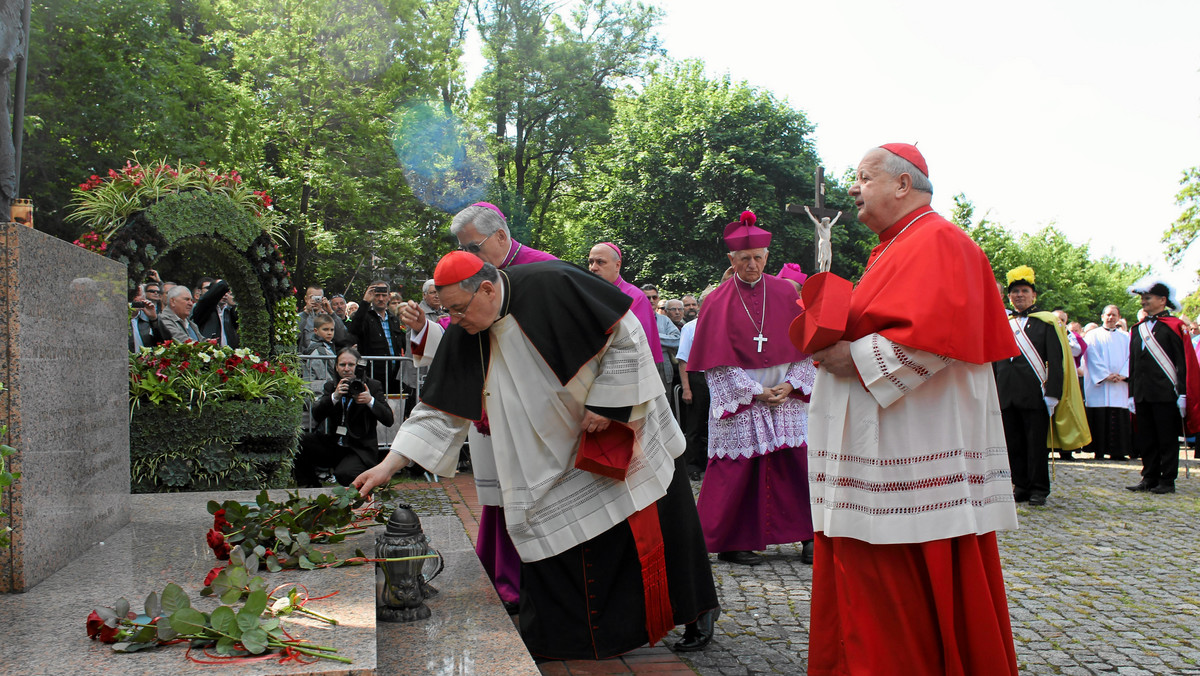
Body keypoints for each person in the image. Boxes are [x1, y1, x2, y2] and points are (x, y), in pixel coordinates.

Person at [354, 253, 719, 658]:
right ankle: (568, 637)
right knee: (549, 539)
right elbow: (440, 409)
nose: (454, 320)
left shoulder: (555, 282)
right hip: (541, 450)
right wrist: (390, 463)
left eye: (459, 309)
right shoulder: (467, 325)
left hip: (608, 429)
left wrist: (608, 404)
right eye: (448, 310)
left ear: (488, 289)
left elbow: (626, 332)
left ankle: (696, 610)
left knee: (660, 523)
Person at [802, 144, 1021, 675]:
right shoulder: (896, 245)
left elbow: (935, 336)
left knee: (903, 579)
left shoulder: (939, 240)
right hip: (891, 439)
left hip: (914, 442)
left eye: (864, 177)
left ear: (903, 184)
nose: (853, 188)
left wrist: (848, 355)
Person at [685, 210, 815, 566]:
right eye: (745, 259)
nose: (752, 265)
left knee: (794, 463)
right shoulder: (716, 301)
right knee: (737, 468)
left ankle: (810, 535)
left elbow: (807, 350)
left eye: (758, 258)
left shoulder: (787, 294)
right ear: (732, 259)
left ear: (767, 257)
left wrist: (790, 386)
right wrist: (754, 392)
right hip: (744, 398)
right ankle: (732, 541)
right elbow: (716, 362)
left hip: (785, 399)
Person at [993, 265, 1086, 505]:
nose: (1019, 295)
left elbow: (1056, 360)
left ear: (1034, 295)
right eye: (1015, 292)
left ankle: (1038, 488)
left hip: (1035, 393)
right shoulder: (1004, 322)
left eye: (1024, 291)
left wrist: (1052, 393)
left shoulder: (1047, 322)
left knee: (1035, 444)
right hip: (1006, 392)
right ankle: (1020, 484)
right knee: (1013, 443)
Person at [1126, 277, 1200, 494]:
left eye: (1147, 298)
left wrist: (1184, 394)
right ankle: (1149, 476)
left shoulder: (1176, 326)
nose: (1143, 302)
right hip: (1142, 392)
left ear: (1162, 300)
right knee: (1146, 437)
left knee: (1166, 438)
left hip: (1166, 392)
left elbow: (1184, 361)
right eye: (1142, 299)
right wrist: (1131, 393)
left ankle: (1167, 479)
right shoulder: (1138, 328)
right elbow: (1134, 363)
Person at [295, 347, 395, 487]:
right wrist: (334, 397)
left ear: (359, 366)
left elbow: (388, 419)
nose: (347, 369)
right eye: (342, 365)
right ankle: (311, 487)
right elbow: (317, 415)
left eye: (351, 365)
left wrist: (370, 401)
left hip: (359, 448)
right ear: (336, 367)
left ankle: (370, 484)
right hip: (335, 443)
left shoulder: (372, 386)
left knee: (345, 474)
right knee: (299, 440)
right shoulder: (332, 386)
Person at [587, 242, 666, 386]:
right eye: (591, 262)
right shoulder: (587, 293)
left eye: (600, 262)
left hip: (626, 376)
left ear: (617, 265)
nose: (593, 267)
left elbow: (639, 343)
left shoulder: (635, 297)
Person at [1083, 305, 1133, 460]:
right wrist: (1105, 375)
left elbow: (1131, 357)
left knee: (1119, 417)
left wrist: (1123, 374)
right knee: (1099, 417)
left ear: (1119, 317)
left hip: (1120, 384)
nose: (1111, 318)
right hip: (1100, 385)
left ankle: (1118, 451)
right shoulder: (1092, 335)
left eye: (1114, 315)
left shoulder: (1126, 337)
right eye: (1108, 315)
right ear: (1102, 316)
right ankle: (1099, 450)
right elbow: (1091, 356)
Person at [348, 280, 406, 395]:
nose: (380, 299)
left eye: (384, 295)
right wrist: (365, 302)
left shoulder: (393, 319)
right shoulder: (365, 316)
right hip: (373, 372)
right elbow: (354, 329)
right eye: (377, 295)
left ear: (389, 297)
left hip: (394, 373)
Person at [192, 278, 239, 348]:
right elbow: (205, 300)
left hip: (229, 355)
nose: (225, 295)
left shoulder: (229, 311)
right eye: (222, 291)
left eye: (227, 292)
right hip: (210, 354)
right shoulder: (204, 309)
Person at [303, 314, 338, 382]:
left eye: (332, 330)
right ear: (316, 331)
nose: (329, 333)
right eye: (325, 330)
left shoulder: (327, 345)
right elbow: (323, 374)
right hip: (320, 387)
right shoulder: (318, 350)